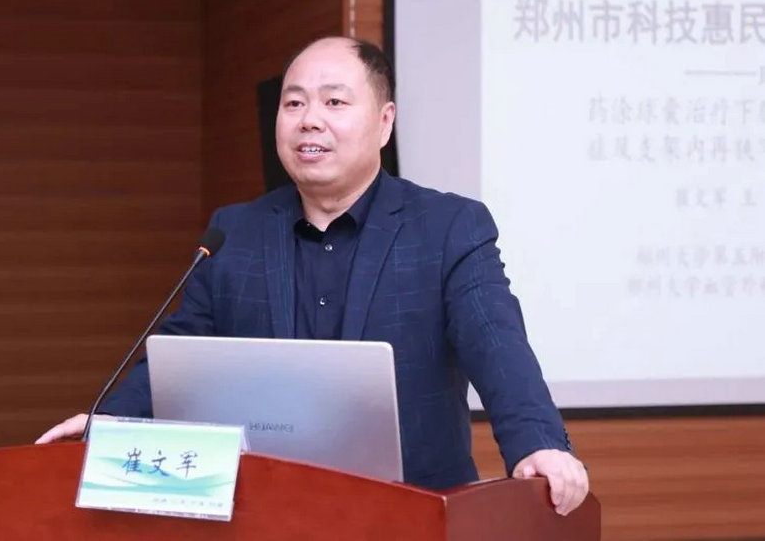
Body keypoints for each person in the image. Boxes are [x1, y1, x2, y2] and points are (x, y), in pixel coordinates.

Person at [37, 36, 589, 514]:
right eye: (294, 102)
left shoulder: (447, 228)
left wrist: (537, 443)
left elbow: (496, 342)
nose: (309, 120)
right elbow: (182, 354)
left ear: (384, 122)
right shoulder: (235, 233)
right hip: (265, 514)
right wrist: (111, 424)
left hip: (415, 512)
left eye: (334, 101)